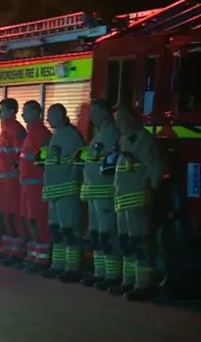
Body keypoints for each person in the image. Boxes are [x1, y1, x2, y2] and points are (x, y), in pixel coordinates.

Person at [109, 106, 163, 300]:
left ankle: (144, 284)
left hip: (137, 199)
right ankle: (128, 281)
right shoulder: (123, 140)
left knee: (140, 243)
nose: (117, 125)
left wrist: (150, 193)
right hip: (123, 200)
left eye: (120, 120)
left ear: (131, 120)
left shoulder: (144, 139)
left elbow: (155, 169)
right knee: (127, 242)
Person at [75, 99, 123, 290]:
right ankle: (101, 273)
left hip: (104, 192)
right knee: (97, 234)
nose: (91, 117)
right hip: (95, 192)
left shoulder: (111, 134)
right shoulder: (101, 134)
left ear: (106, 112)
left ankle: (112, 274)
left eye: (95, 112)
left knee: (106, 234)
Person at [40, 104, 86, 282]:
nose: (48, 119)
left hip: (66, 190)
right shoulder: (57, 136)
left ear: (61, 115)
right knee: (57, 231)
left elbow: (77, 162)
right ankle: (58, 265)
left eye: (51, 115)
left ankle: (72, 268)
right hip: (54, 191)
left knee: (69, 230)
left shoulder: (70, 136)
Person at [0, 98, 27, 266]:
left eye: (2, 110)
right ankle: (7, 250)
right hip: (4, 181)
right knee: (4, 217)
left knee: (13, 217)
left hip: (13, 183)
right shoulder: (5, 130)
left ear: (12, 112)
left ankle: (17, 252)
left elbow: (21, 157)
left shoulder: (16, 130)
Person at [16, 100, 53, 272]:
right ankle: (33, 254)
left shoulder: (40, 134)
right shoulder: (31, 133)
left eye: (26, 111)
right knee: (28, 220)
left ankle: (42, 258)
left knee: (37, 220)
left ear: (36, 113)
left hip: (36, 186)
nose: (22, 115)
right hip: (27, 186)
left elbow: (44, 161)